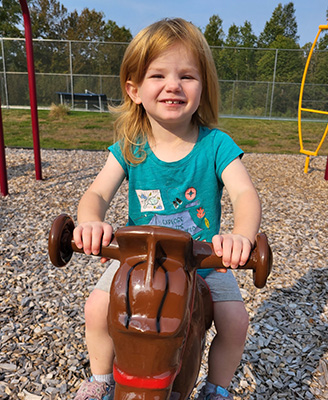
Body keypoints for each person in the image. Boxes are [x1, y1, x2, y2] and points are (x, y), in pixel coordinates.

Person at [73, 18, 261, 400]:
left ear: (202, 87)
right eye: (158, 75)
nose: (173, 85)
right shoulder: (131, 146)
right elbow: (96, 192)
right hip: (136, 258)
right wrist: (90, 221)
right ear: (135, 90)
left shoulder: (216, 146)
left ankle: (217, 388)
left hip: (204, 258)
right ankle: (101, 378)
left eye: (187, 76)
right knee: (96, 308)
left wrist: (242, 235)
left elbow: (245, 194)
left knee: (235, 321)